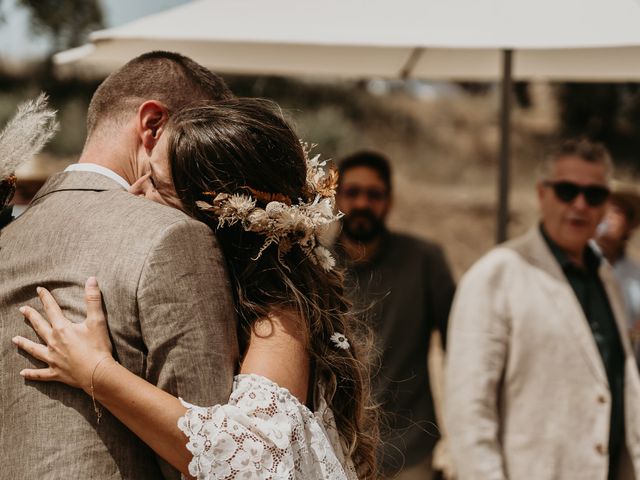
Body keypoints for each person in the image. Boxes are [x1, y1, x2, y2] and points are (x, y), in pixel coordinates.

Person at [12, 98, 379, 479]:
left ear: (218, 212)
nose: (135, 191)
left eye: (156, 182)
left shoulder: (281, 316)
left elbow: (252, 460)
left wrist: (96, 371)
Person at [0, 51, 239, 480]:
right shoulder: (171, 237)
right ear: (152, 126)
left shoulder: (6, 239)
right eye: (199, 145)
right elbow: (214, 456)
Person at [445, 139, 640, 480]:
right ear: (541, 194)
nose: (580, 204)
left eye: (593, 195)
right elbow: (469, 414)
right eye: (567, 190)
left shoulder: (606, 278)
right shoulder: (495, 275)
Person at [334, 151, 455, 479]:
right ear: (334, 196)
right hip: (333, 451)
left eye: (374, 195)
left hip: (410, 451)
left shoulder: (424, 261)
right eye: (352, 192)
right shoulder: (313, 266)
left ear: (389, 202)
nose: (362, 203)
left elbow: (459, 350)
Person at [596, 184, 640, 363]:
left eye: (617, 211)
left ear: (628, 224)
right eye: (603, 209)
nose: (609, 217)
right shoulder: (576, 266)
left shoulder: (636, 274)